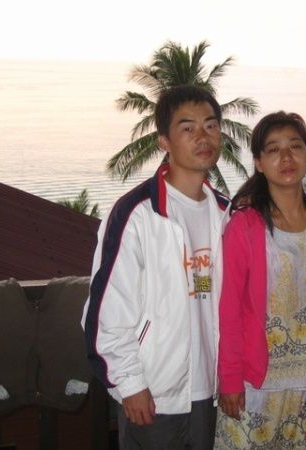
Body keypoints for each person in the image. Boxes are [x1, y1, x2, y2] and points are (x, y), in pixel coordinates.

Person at [81, 85, 230, 450]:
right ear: (164, 140)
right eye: (187, 128)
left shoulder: (226, 213)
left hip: (210, 391)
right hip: (154, 393)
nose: (203, 136)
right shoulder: (137, 214)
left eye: (211, 125)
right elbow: (106, 310)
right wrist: (129, 383)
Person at [215, 112, 306, 449]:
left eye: (295, 146)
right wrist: (230, 378)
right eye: (274, 149)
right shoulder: (245, 224)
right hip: (255, 381)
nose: (286, 157)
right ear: (259, 163)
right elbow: (229, 309)